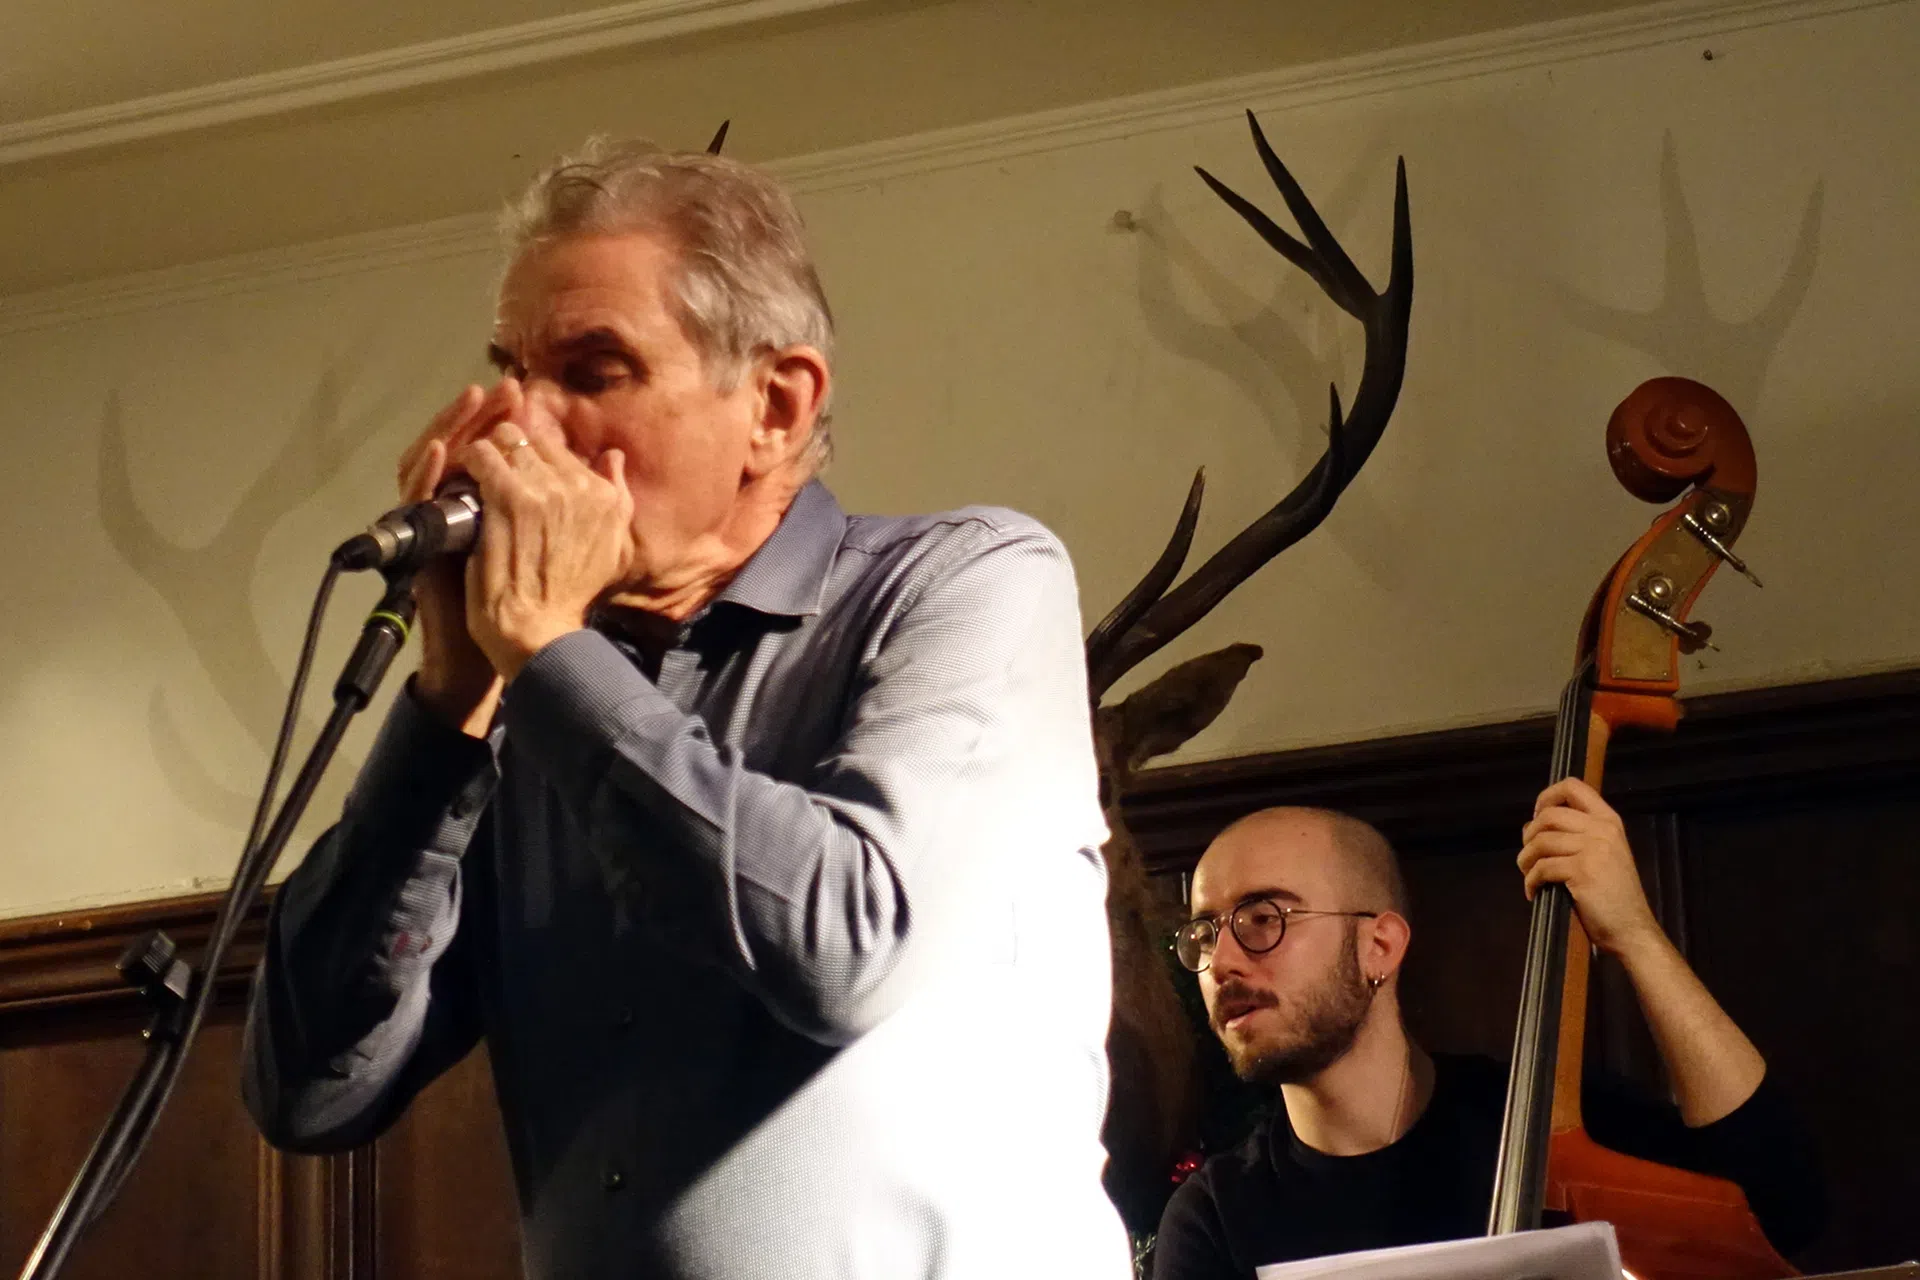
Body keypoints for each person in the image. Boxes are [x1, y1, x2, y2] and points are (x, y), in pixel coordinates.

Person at [241, 137, 1131, 1279]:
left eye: (592, 371)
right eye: (510, 371)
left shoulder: (970, 581)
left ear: (775, 406)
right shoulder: (529, 702)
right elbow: (309, 1091)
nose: (521, 430)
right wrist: (448, 705)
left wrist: (551, 655)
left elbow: (850, 946)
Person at [1151, 780, 1827, 1279]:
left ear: (1379, 947)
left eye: (1263, 918)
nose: (1221, 961)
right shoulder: (1214, 1219)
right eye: (1204, 933)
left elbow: (1781, 1208)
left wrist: (1634, 934)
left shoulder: (1551, 1129)